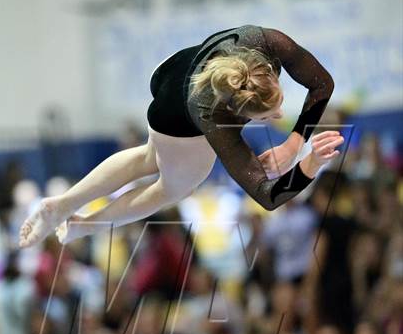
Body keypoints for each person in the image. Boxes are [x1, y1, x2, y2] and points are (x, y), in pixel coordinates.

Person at [19, 25, 342, 248]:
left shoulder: (267, 41)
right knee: (171, 188)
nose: (278, 115)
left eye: (278, 100)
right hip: (177, 116)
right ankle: (85, 225)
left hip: (171, 70)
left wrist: (295, 143)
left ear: (267, 70)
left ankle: (61, 205)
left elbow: (322, 83)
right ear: (237, 112)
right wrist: (309, 164)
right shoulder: (213, 118)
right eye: (267, 115)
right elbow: (267, 197)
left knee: (149, 156)